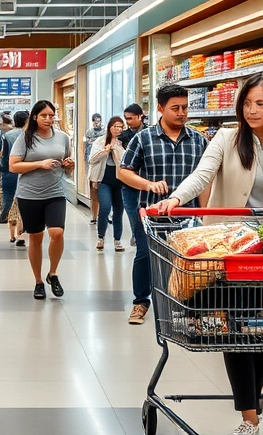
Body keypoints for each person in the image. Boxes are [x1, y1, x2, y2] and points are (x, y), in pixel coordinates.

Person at [155, 73, 263, 435]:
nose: (252, 110)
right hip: (226, 251)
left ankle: (252, 406)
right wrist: (177, 199)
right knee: (237, 328)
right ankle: (250, 415)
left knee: (253, 329)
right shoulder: (227, 138)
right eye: (247, 103)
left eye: (260, 103)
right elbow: (202, 174)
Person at [118, 84, 208, 325]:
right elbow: (123, 173)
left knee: (188, 261)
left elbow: (206, 179)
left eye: (185, 108)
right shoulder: (143, 138)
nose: (182, 113)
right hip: (151, 213)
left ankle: (187, 307)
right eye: (175, 108)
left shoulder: (199, 140)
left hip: (188, 215)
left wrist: (205, 214)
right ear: (160, 108)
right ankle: (140, 303)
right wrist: (148, 184)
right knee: (145, 255)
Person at [10, 100, 74, 300]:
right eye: (44, 115)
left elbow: (67, 168)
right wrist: (40, 164)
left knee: (57, 233)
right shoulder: (25, 138)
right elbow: (13, 166)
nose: (48, 119)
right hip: (29, 195)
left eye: (51, 115)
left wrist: (68, 165)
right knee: (35, 238)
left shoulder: (63, 138)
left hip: (55, 192)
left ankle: (52, 273)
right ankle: (38, 281)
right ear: (35, 117)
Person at [89, 117, 127, 252]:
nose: (118, 129)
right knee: (105, 207)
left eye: (120, 126)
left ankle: (117, 240)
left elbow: (125, 161)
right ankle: (101, 237)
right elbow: (92, 160)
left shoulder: (124, 142)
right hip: (103, 180)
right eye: (115, 126)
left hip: (120, 182)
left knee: (118, 210)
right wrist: (104, 151)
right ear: (109, 127)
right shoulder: (99, 141)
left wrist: (116, 148)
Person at [119, 103, 148, 248]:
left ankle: (143, 238)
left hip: (145, 183)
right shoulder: (124, 136)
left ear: (140, 116)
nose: (128, 122)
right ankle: (137, 236)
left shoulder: (150, 134)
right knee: (132, 214)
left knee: (145, 214)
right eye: (126, 119)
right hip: (128, 184)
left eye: (130, 118)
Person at [0, 110, 29, 245]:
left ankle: (11, 234)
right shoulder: (28, 135)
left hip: (8, 172)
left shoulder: (7, 135)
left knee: (9, 201)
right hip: (25, 172)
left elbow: (2, 154)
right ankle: (21, 233)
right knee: (22, 204)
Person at [82, 113, 105, 224]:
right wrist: (84, 159)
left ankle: (104, 214)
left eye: (98, 121)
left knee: (103, 190)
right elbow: (85, 146)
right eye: (95, 121)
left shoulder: (104, 132)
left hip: (102, 162)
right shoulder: (89, 132)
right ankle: (94, 215)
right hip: (91, 162)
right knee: (93, 190)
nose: (97, 123)